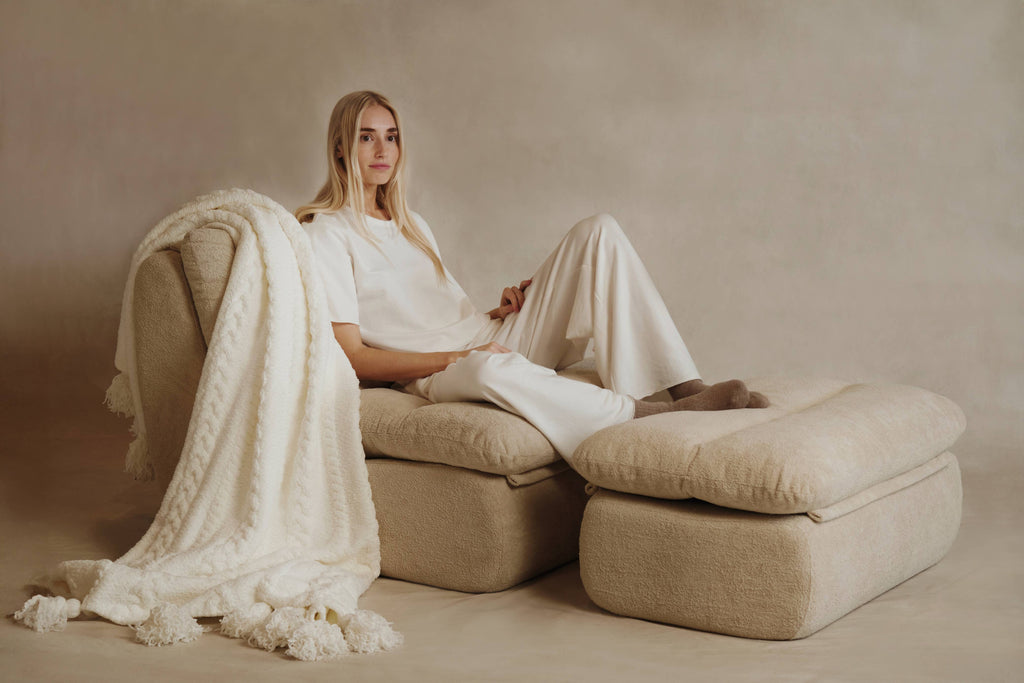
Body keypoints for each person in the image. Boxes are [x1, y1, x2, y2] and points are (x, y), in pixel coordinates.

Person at [297, 91, 767, 461]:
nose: (383, 150)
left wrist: (497, 313)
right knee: (487, 367)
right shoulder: (326, 233)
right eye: (367, 137)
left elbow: (434, 313)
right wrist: (460, 355)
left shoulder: (412, 224)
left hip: (487, 337)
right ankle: (651, 412)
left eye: (392, 136)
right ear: (340, 147)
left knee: (598, 230)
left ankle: (684, 384)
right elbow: (355, 357)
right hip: (439, 371)